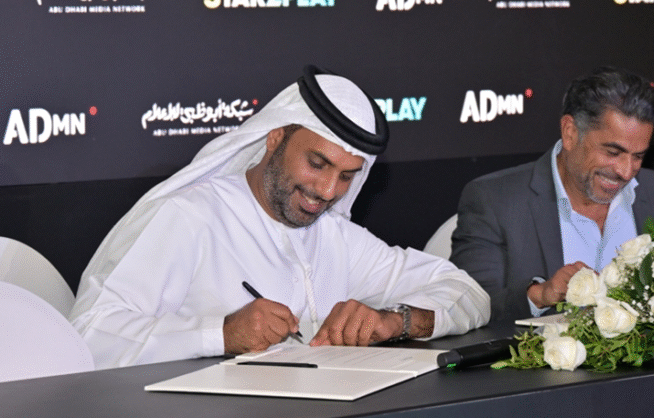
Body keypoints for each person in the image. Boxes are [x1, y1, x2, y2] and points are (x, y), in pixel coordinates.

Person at [70, 66, 489, 368]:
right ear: (274, 138)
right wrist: (220, 333)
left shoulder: (335, 236)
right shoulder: (190, 217)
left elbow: (467, 293)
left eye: (347, 176)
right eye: (317, 164)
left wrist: (395, 321)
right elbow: (88, 335)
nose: (328, 191)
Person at [450, 67, 654, 322]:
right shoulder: (495, 200)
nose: (626, 172)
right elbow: (467, 308)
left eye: (638, 156)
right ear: (570, 132)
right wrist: (540, 295)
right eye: (612, 152)